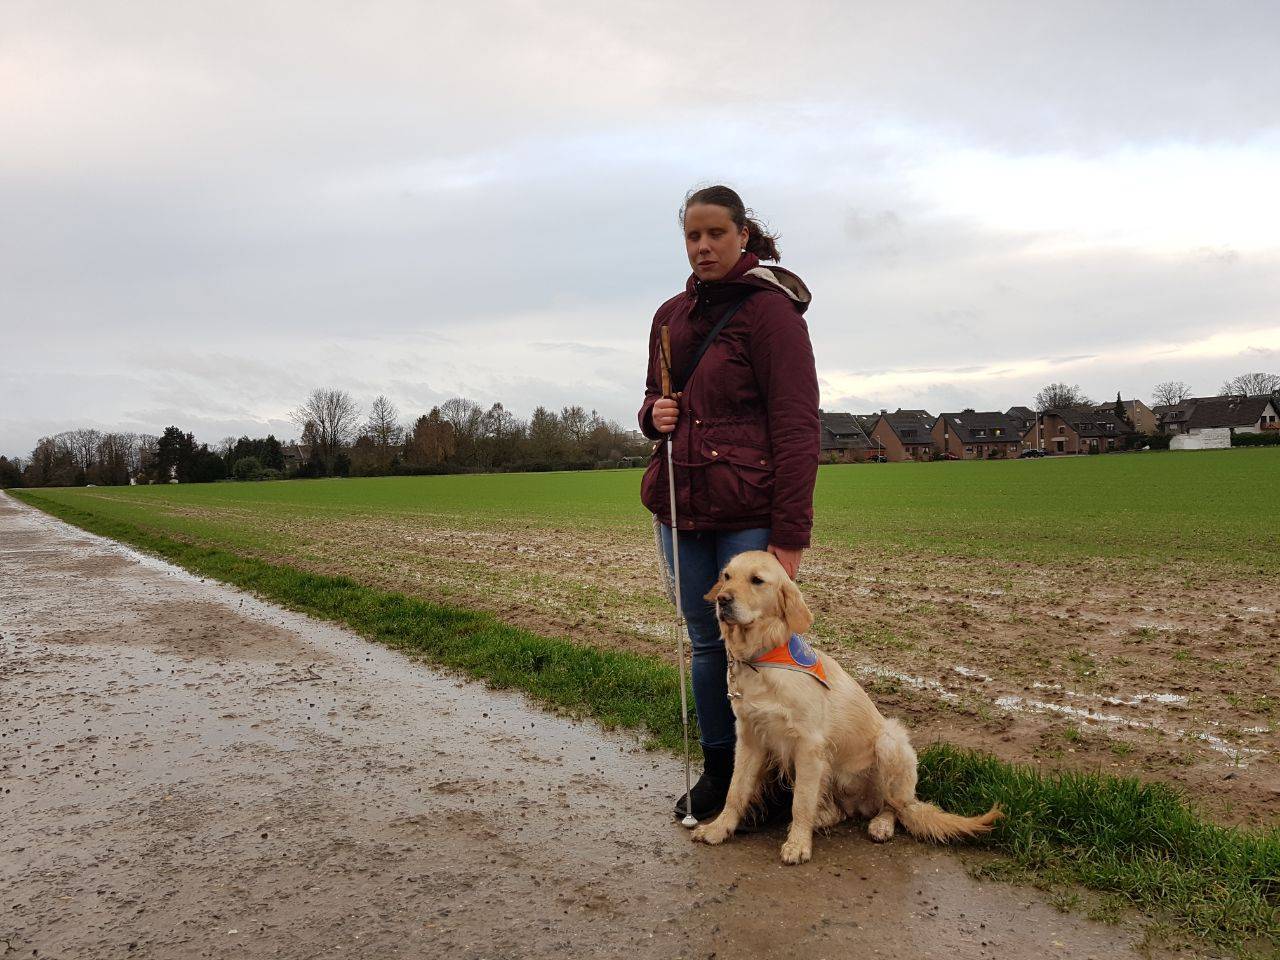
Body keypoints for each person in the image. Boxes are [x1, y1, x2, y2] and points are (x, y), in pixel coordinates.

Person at [638, 184, 820, 822]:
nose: (703, 246)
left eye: (716, 233)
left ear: (744, 235)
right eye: (692, 236)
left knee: (763, 644)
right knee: (705, 641)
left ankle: (780, 776)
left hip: (748, 513)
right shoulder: (669, 317)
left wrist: (789, 535)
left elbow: (798, 428)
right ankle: (721, 773)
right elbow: (656, 402)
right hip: (680, 510)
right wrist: (652, 414)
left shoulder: (771, 315)